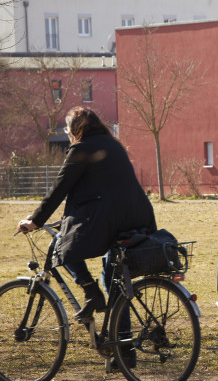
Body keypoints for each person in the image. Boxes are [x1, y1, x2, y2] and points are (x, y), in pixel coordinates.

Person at [17, 106, 156, 320]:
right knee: (113, 280)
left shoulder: (82, 149)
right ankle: (122, 348)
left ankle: (90, 291)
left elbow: (60, 188)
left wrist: (35, 220)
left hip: (109, 219)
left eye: (67, 129)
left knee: (61, 246)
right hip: (136, 216)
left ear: (75, 129)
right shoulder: (114, 145)